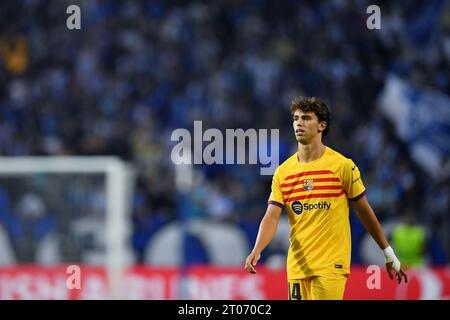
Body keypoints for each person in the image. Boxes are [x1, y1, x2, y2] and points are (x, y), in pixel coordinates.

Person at [244, 97, 407, 300]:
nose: (299, 123)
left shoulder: (342, 166)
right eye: (296, 118)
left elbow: (364, 210)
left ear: (322, 125)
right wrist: (257, 249)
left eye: (306, 118)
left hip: (331, 265)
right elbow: (271, 216)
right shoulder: (283, 172)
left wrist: (387, 252)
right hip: (297, 267)